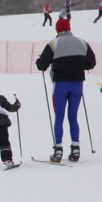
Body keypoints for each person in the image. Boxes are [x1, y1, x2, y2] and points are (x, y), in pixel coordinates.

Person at [35, 18, 97, 162]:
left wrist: (40, 62)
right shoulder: (82, 42)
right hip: (77, 84)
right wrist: (79, 66)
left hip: (61, 84)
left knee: (59, 117)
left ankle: (58, 150)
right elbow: (91, 63)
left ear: (57, 29)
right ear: (69, 28)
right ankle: (75, 148)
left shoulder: (54, 44)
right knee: (73, 116)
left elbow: (42, 65)